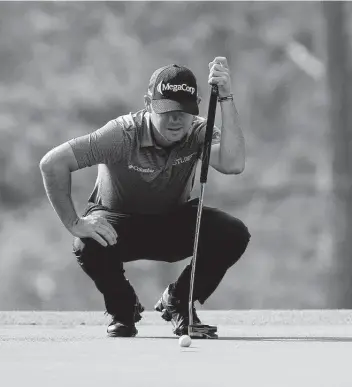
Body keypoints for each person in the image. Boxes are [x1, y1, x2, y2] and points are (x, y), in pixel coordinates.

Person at [39, 56, 251, 338]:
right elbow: (52, 163)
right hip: (118, 226)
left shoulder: (198, 132)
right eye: (166, 110)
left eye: (184, 110)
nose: (176, 119)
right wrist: (73, 223)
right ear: (148, 104)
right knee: (87, 243)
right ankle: (123, 310)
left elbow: (233, 163)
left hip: (171, 222)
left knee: (233, 232)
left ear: (197, 106)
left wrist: (226, 98)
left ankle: (179, 302)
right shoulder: (121, 134)